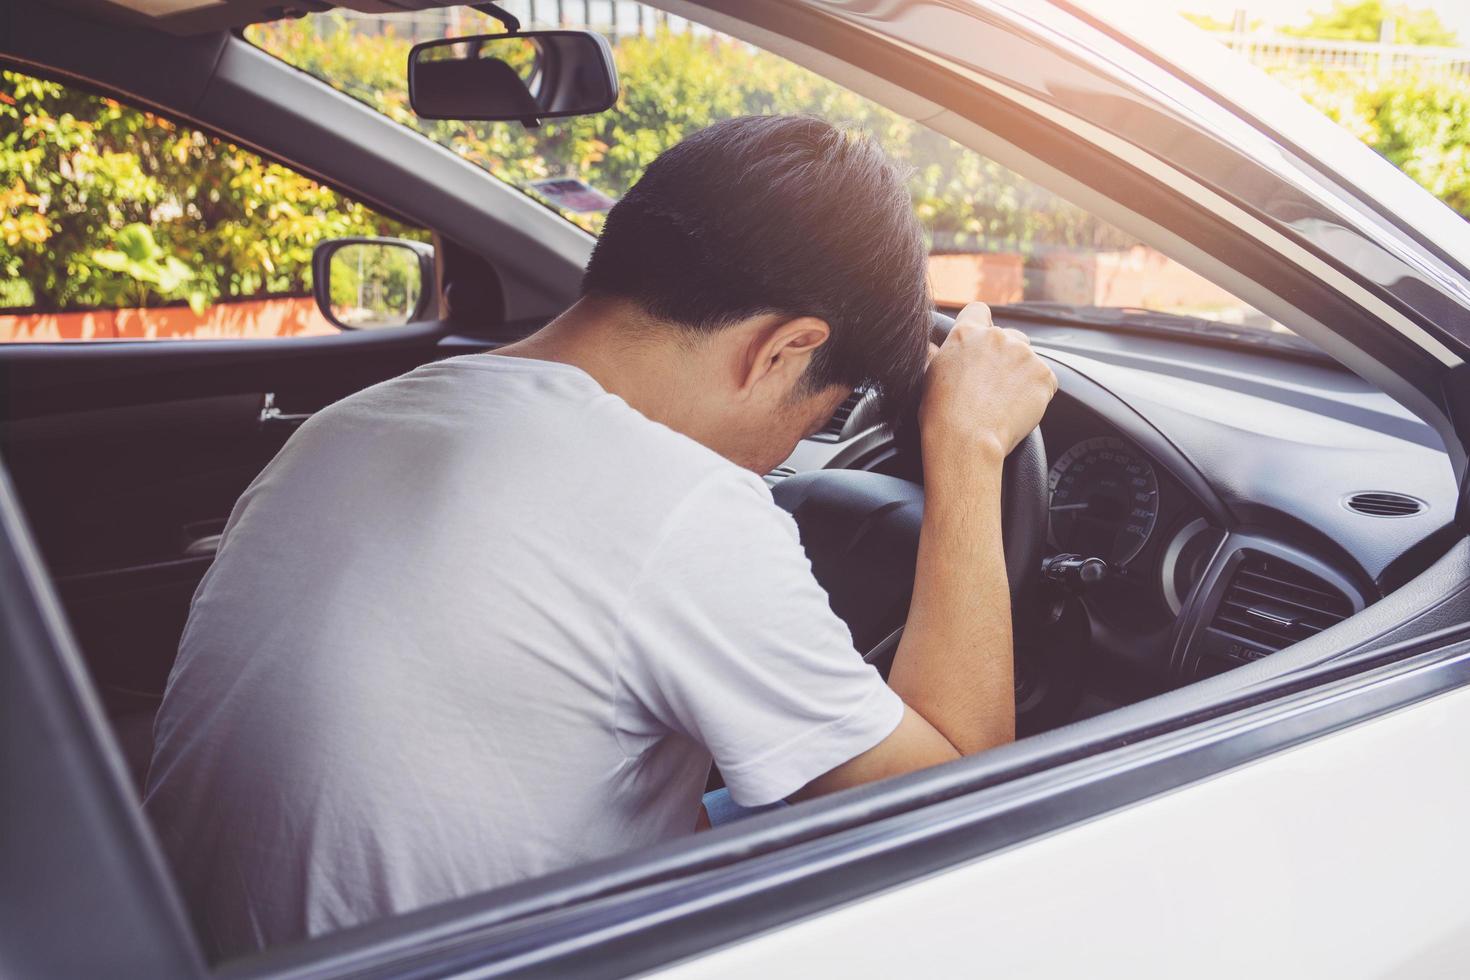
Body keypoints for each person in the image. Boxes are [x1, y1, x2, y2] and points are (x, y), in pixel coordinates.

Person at [143, 114, 1056, 959]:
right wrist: (969, 449)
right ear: (781, 350)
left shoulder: (350, 426)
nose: (792, 452)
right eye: (830, 402)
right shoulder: (679, 505)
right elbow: (955, 813)